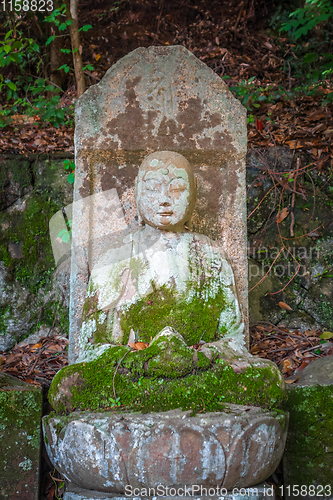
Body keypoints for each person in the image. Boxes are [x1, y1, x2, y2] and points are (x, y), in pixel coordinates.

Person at [77, 151, 244, 363]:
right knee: (69, 383)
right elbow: (90, 349)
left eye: (177, 189)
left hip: (198, 368)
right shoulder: (114, 257)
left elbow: (235, 340)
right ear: (137, 190)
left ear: (193, 190)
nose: (164, 200)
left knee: (266, 378)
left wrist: (199, 357)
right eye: (153, 189)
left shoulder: (211, 255)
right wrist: (143, 360)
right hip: (133, 370)